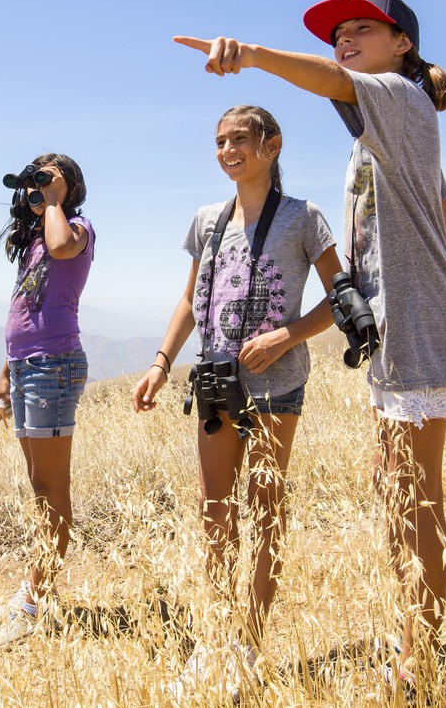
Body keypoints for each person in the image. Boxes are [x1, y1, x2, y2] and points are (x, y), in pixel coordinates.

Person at [174, 0, 446, 691]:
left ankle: (418, 662)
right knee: (398, 485)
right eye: (337, 32)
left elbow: (335, 82)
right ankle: (415, 645)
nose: (344, 38)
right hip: (402, 323)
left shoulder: (397, 97)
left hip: (417, 321)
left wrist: (250, 56)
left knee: (417, 493)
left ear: (402, 43)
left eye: (360, 28)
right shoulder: (390, 127)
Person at [132, 105, 342, 696]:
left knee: (266, 508)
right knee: (214, 509)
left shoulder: (304, 218)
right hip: (216, 378)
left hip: (279, 385)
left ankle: (250, 641)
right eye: (220, 141)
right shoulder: (207, 219)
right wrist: (159, 365)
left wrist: (286, 336)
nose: (227, 150)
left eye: (240, 140)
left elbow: (342, 296)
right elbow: (187, 302)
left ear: (272, 146)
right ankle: (215, 639)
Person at [0, 153, 94, 651]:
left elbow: (63, 244)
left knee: (50, 491)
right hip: (28, 368)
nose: (38, 187)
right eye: (35, 179)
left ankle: (31, 605)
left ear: (70, 186)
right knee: (39, 489)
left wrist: (53, 199)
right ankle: (34, 591)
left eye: (50, 178)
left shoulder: (77, 228)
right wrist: (5, 374)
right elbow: (20, 308)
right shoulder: (32, 243)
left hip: (54, 366)